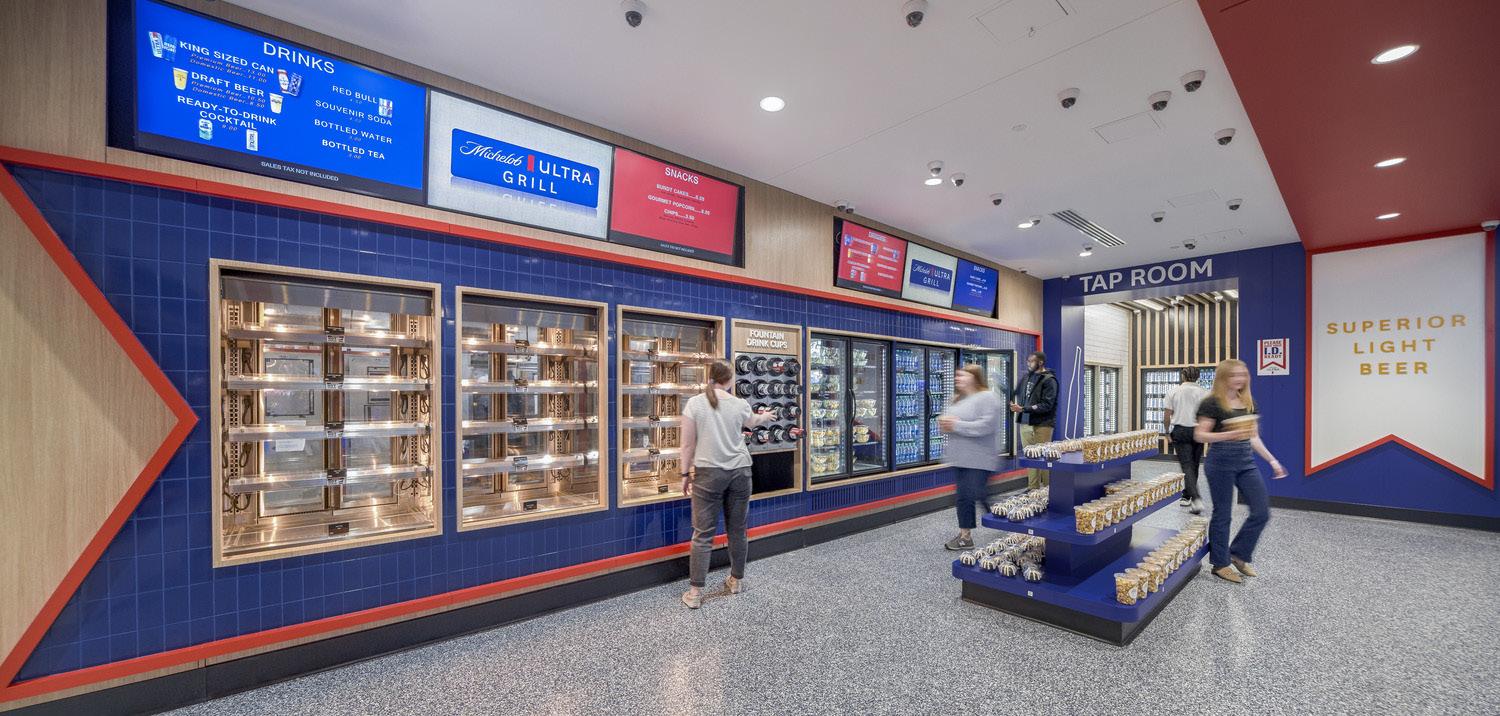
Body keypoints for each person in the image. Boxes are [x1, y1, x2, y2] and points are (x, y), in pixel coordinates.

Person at [679, 360, 775, 609]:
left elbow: (687, 445)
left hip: (708, 473)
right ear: (731, 380)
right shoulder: (739, 404)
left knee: (703, 534)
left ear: (710, 377)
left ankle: (695, 594)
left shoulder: (695, 404)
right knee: (737, 529)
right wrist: (766, 416)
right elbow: (753, 422)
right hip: (740, 472)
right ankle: (736, 581)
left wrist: (684, 474)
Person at [1193, 358, 1287, 584]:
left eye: (1243, 374)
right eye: (1234, 375)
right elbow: (1200, 435)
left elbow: (1253, 437)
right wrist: (1228, 434)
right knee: (1223, 513)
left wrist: (1273, 461)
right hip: (1220, 462)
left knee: (1261, 511)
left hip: (1246, 462)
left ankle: (1238, 554)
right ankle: (1220, 563)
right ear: (1223, 377)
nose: (1240, 379)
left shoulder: (1248, 402)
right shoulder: (1212, 403)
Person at [938, 365, 1005, 551]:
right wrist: (944, 424)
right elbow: (949, 423)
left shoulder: (988, 397)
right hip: (960, 457)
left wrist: (956, 425)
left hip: (980, 458)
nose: (958, 379)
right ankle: (969, 535)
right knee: (970, 496)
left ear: (974, 378)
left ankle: (969, 535)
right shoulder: (956, 399)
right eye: (957, 376)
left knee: (971, 495)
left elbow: (986, 426)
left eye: (963, 376)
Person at [1011, 351, 1058, 489]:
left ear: (1040, 362)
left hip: (1042, 424)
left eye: (1031, 361)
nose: (1028, 363)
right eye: (1028, 361)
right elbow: (1016, 393)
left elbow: (1047, 405)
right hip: (1025, 423)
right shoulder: (1027, 377)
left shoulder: (1049, 380)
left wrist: (1023, 409)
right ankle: (1033, 490)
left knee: (1044, 458)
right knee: (1030, 458)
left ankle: (1049, 490)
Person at [1164, 366, 1208, 514]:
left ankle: (1195, 498)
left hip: (1181, 431)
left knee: (1186, 465)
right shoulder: (1205, 393)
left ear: (1183, 376)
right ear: (1198, 377)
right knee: (1194, 464)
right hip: (1198, 431)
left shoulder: (1173, 392)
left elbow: (1167, 415)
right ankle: (1188, 495)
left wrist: (1166, 432)